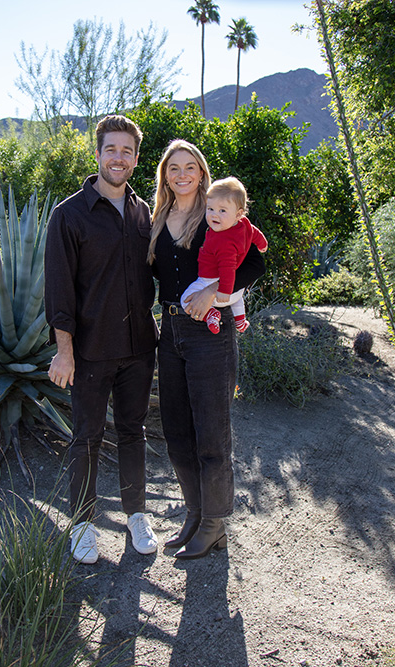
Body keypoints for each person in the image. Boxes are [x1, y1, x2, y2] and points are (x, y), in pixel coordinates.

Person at [44, 115, 159, 564]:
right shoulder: (69, 214)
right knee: (86, 437)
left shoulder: (144, 211)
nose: (119, 158)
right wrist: (65, 352)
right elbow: (59, 290)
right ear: (97, 153)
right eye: (111, 149)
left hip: (138, 348)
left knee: (133, 432)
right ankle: (84, 524)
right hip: (90, 352)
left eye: (127, 151)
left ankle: (136, 515)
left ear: (135, 158)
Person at [147, 139, 266, 559]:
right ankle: (195, 515)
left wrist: (215, 290)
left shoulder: (217, 215)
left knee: (211, 433)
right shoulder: (157, 218)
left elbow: (255, 263)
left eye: (190, 167)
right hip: (170, 332)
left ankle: (215, 525)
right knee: (177, 431)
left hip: (210, 335)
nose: (182, 174)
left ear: (201, 173)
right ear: (165, 174)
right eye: (173, 167)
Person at [180, 177, 268, 334]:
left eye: (222, 211)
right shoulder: (244, 224)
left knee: (186, 299)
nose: (214, 215)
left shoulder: (222, 240)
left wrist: (221, 290)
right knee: (238, 300)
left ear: (238, 214)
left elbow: (227, 268)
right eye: (210, 209)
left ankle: (210, 314)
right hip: (236, 292)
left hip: (214, 288)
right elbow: (254, 233)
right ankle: (240, 320)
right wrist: (262, 244)